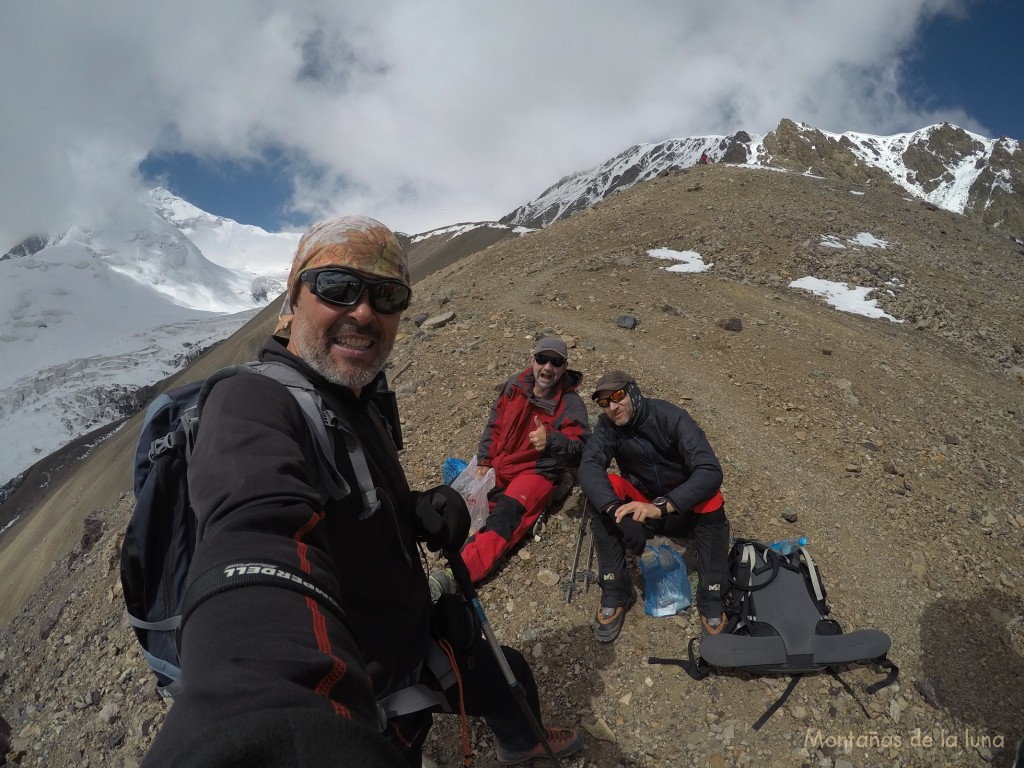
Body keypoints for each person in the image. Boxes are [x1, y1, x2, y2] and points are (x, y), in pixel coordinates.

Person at [143, 216, 583, 767]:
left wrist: (416, 509)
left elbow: (354, 500)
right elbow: (254, 532)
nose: (365, 312)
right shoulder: (249, 404)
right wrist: (264, 718)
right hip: (362, 686)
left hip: (406, 634)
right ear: (294, 296)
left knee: (507, 673)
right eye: (337, 287)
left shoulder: (353, 396)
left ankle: (522, 746)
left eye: (387, 295)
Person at [578, 370, 730, 643]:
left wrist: (663, 506)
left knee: (712, 496)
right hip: (643, 504)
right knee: (605, 489)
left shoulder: (670, 417)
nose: (612, 407)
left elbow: (709, 470)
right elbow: (589, 468)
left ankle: (712, 595)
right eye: (603, 403)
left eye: (617, 396)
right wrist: (616, 512)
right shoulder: (607, 427)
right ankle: (615, 589)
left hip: (682, 507)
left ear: (633, 392)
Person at [456, 337, 590, 583]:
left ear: (564, 367)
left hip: (536, 472)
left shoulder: (571, 404)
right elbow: (494, 424)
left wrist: (551, 440)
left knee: (506, 516)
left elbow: (583, 450)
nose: (548, 367)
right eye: (542, 359)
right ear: (533, 360)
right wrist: (485, 460)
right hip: (502, 464)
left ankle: (460, 573)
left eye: (556, 362)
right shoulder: (515, 385)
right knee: (459, 501)